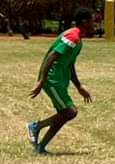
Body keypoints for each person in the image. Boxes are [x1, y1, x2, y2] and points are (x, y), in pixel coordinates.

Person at [26, 8, 96, 155]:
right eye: (92, 20)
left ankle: (40, 147)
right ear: (84, 21)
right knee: (70, 112)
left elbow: (70, 64)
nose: (95, 23)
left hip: (60, 80)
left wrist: (79, 86)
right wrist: (41, 80)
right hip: (52, 80)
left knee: (64, 115)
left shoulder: (79, 40)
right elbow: (52, 55)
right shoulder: (73, 37)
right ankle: (36, 126)